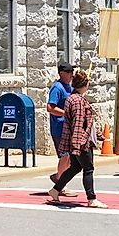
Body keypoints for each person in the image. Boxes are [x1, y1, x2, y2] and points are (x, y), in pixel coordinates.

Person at [47, 70, 108, 208]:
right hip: (81, 142)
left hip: (73, 141)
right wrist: (79, 143)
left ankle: (55, 190)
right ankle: (91, 198)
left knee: (75, 167)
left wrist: (97, 135)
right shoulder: (79, 101)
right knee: (88, 169)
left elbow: (85, 123)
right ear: (85, 85)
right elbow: (79, 124)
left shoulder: (71, 98)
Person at [47, 62, 77, 195]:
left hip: (69, 128)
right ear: (61, 73)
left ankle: (58, 177)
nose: (72, 75)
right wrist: (66, 113)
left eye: (72, 72)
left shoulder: (70, 88)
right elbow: (50, 107)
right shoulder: (57, 88)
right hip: (59, 128)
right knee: (64, 156)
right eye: (69, 72)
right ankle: (60, 184)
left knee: (71, 159)